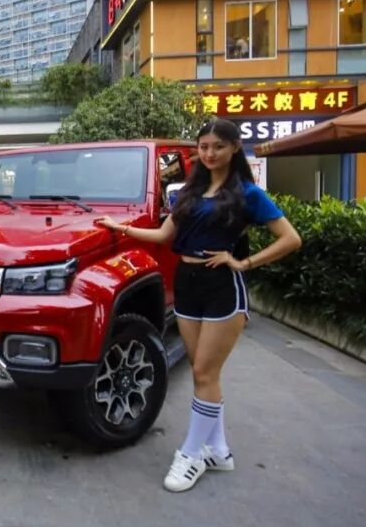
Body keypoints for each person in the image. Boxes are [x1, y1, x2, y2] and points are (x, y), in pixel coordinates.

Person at [96, 118, 301, 493]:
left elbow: (290, 239)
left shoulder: (247, 194)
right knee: (202, 372)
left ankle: (191, 454)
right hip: (186, 283)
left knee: (205, 372)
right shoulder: (190, 191)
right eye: (204, 146)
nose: (209, 153)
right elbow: (163, 235)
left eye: (218, 146)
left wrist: (243, 262)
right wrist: (120, 228)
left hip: (222, 287)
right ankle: (218, 451)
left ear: (234, 148)